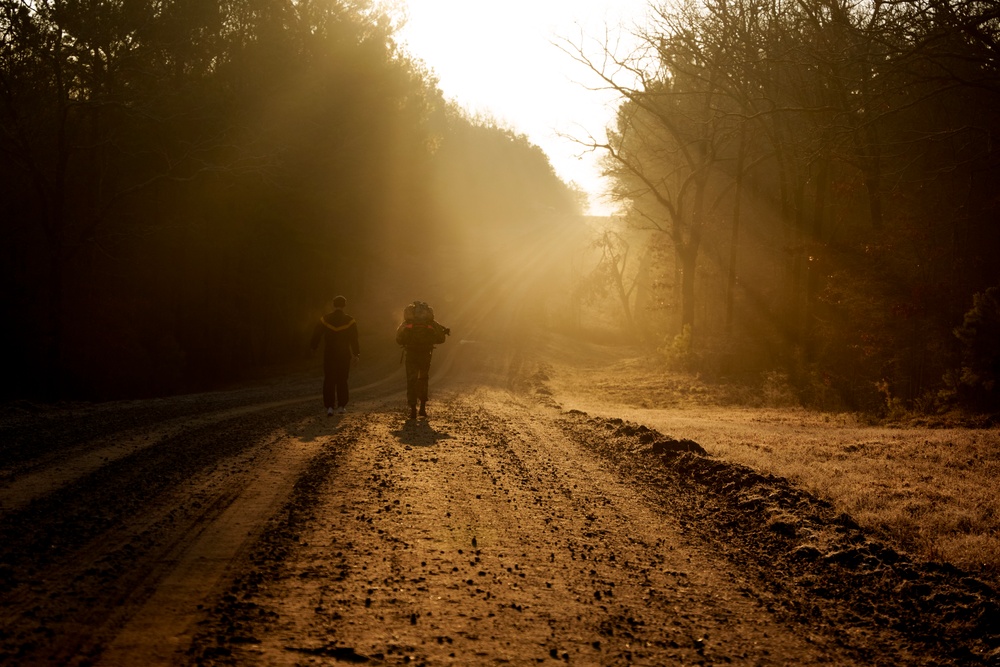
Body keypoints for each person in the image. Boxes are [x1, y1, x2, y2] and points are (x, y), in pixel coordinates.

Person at [395, 301, 449, 419]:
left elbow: (398, 339)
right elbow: (441, 339)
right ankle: (423, 408)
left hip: (411, 353)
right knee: (423, 378)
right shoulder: (431, 323)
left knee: (411, 380)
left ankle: (413, 408)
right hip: (425, 354)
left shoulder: (407, 323)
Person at [311, 295, 360, 416]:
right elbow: (354, 339)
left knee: (329, 379)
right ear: (344, 305)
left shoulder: (325, 319)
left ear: (334, 305)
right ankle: (341, 406)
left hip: (330, 354)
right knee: (342, 379)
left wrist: (313, 347)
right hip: (344, 354)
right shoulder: (350, 320)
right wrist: (356, 353)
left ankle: (329, 407)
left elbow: (317, 333)